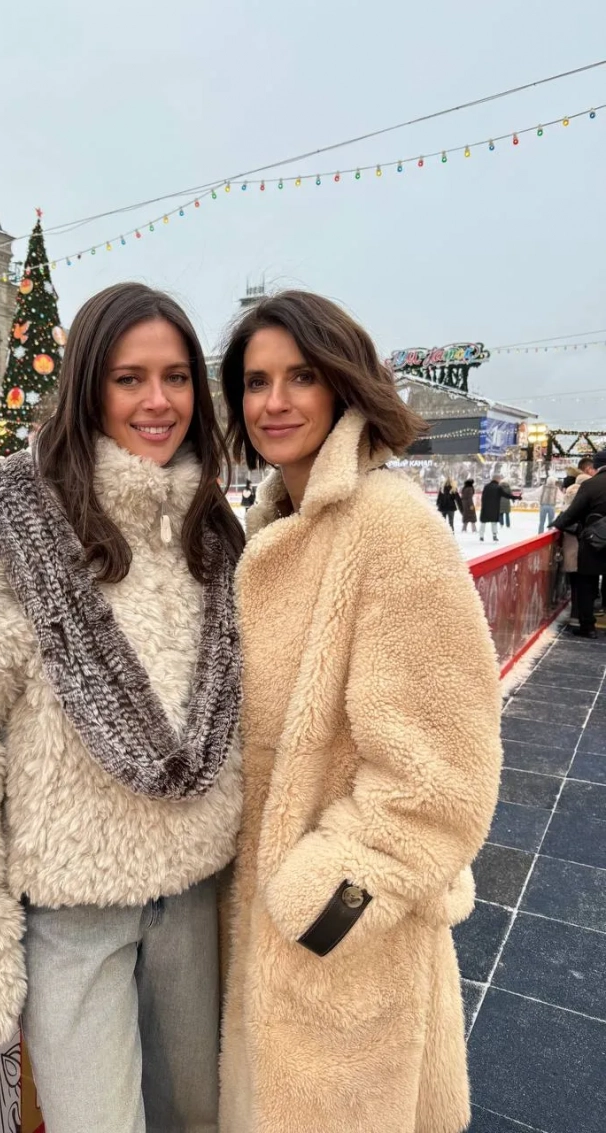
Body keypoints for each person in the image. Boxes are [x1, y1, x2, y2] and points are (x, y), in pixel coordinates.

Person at [0, 283, 244, 1133]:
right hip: (77, 913)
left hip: (197, 895)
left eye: (176, 376)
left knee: (201, 1119)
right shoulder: (13, 528)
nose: (158, 401)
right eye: (129, 378)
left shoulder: (212, 529)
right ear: (87, 386)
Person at [217, 291, 501, 1133]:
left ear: (343, 384)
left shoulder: (390, 527)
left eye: (301, 376)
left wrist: (324, 901)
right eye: (256, 381)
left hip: (344, 944)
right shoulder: (276, 523)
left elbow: (443, 777)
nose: (274, 401)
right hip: (271, 938)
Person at [554, 449, 606, 638]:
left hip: (594, 542)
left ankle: (588, 627)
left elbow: (572, 513)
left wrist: (558, 524)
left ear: (597, 466)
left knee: (586, 582)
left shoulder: (591, 485)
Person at [558, 471, 590, 627]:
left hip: (571, 547)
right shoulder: (584, 497)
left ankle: (575, 616)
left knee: (575, 584)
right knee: (583, 585)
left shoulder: (570, 496)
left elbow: (562, 519)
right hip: (583, 548)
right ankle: (579, 616)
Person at [479, 474, 517, 542]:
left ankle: (481, 536)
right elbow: (506, 495)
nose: (500, 480)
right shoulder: (498, 487)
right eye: (499, 479)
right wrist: (516, 497)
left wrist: (483, 505)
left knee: (483, 522)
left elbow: (483, 497)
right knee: (494, 522)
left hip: (486, 507)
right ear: (496, 479)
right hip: (494, 507)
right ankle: (494, 535)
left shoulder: (486, 486)